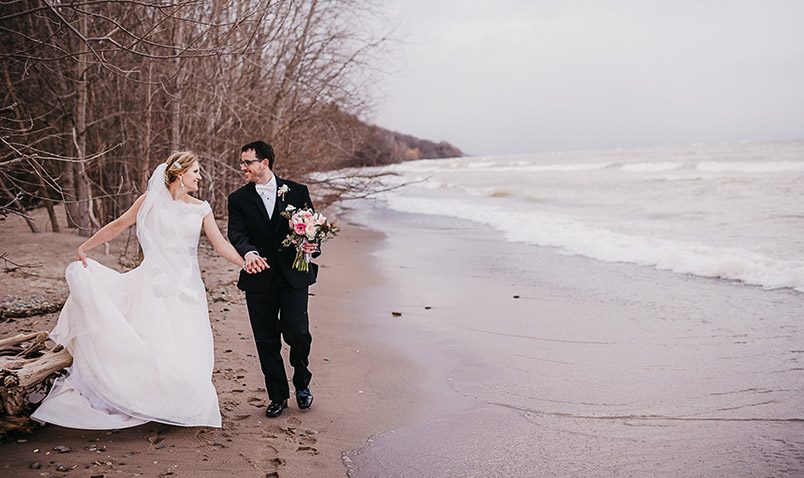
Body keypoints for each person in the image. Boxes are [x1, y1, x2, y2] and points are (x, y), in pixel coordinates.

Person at [31, 151, 248, 429]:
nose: (200, 177)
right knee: (155, 341)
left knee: (188, 344)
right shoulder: (150, 201)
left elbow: (220, 244)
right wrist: (86, 247)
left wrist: (245, 262)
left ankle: (182, 401)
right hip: (154, 285)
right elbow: (119, 224)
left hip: (187, 289)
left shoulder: (201, 209)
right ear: (180, 174)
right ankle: (146, 397)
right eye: (196, 171)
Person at [227, 140, 320, 418]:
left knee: (298, 332)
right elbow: (237, 234)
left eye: (247, 162)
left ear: (264, 163)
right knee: (266, 340)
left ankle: (302, 383)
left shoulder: (297, 191)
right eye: (242, 162)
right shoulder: (238, 199)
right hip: (258, 277)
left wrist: (311, 245)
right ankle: (278, 395)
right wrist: (249, 253)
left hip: (294, 274)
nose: (242, 167)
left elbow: (312, 230)